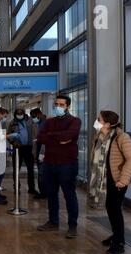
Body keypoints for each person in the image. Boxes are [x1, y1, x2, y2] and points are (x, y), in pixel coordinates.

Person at [89, 111, 131, 254]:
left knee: (115, 211)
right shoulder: (99, 135)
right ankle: (116, 235)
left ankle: (119, 243)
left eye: (99, 119)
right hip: (104, 180)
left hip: (117, 181)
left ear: (108, 124)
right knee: (110, 209)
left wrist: (123, 180)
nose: (97, 121)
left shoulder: (122, 137)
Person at [37, 95, 82, 239]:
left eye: (61, 104)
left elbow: (70, 134)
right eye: (56, 104)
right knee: (51, 195)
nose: (58, 106)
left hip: (67, 164)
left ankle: (72, 226)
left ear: (67, 106)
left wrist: (51, 137)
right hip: (49, 163)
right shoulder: (49, 122)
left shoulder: (75, 121)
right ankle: (53, 222)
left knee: (69, 195)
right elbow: (41, 138)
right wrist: (59, 138)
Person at [7, 108, 39, 196]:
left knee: (30, 169)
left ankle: (31, 188)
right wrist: (13, 142)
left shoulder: (30, 121)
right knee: (16, 169)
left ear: (24, 114)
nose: (19, 115)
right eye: (17, 113)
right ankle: (17, 187)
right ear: (15, 114)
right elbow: (8, 135)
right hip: (17, 149)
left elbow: (35, 133)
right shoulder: (12, 122)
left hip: (28, 148)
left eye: (21, 113)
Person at [30, 108, 47, 200]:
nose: (33, 118)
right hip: (39, 150)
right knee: (40, 173)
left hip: (43, 152)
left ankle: (44, 193)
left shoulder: (45, 123)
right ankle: (43, 192)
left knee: (41, 173)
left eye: (33, 116)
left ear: (38, 114)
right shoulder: (38, 123)